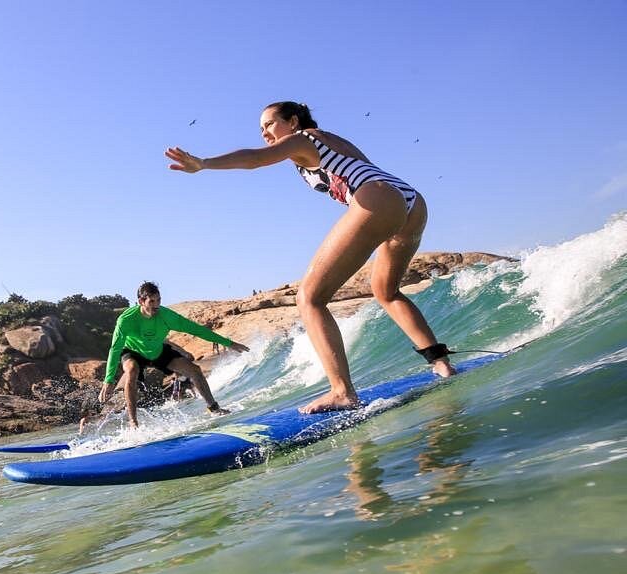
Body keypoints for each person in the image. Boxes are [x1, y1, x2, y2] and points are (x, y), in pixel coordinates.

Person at [166, 101, 456, 414]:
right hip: (409, 201)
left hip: (377, 198)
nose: (265, 133)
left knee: (309, 298)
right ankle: (441, 364)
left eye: (270, 125)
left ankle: (342, 392)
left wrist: (204, 163)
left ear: (293, 122)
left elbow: (255, 159)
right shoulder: (330, 139)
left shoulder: (302, 139)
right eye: (261, 129)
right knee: (386, 291)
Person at [99, 281, 249, 428]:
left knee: (195, 371)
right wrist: (109, 379)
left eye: (159, 300)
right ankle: (133, 422)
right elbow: (115, 348)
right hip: (133, 352)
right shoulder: (126, 320)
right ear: (141, 301)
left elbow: (197, 329)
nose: (156, 305)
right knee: (131, 371)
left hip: (157, 351)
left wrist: (229, 343)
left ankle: (214, 408)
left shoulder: (166, 316)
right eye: (152, 301)